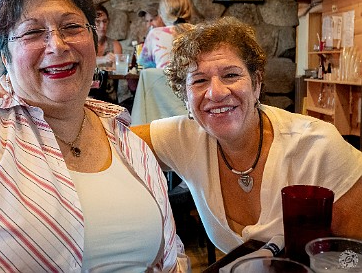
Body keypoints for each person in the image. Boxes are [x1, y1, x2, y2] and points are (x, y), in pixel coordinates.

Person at [0, 0, 188, 272]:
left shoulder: (126, 138)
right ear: (5, 56)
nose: (57, 45)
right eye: (33, 32)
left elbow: (170, 258)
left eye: (72, 27)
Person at [132, 17, 362, 255]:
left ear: (256, 84)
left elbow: (355, 255)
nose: (216, 92)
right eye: (199, 80)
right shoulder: (184, 137)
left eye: (231, 75)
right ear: (185, 98)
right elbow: (111, 139)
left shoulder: (317, 146)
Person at [137, 0, 193, 69]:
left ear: (162, 14)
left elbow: (144, 65)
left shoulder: (155, 34)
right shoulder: (201, 32)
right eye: (147, 21)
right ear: (189, 10)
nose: (149, 24)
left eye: (153, 19)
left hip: (164, 80)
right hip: (194, 80)